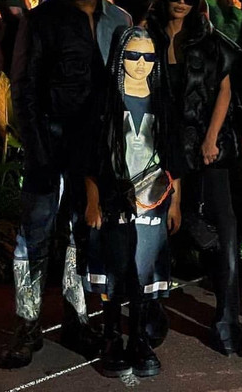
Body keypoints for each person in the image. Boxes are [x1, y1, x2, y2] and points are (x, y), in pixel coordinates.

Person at [3, 0, 131, 368]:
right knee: (33, 235)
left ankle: (78, 320)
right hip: (50, 142)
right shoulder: (40, 21)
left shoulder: (120, 19)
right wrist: (38, 148)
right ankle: (27, 323)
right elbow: (22, 88)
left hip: (94, 148)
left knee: (83, 235)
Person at [148, 0, 242, 355]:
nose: (182, 2)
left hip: (205, 145)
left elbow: (225, 86)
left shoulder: (207, 38)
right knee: (154, 234)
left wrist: (210, 138)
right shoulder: (146, 34)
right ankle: (152, 313)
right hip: (158, 145)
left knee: (224, 233)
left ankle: (225, 319)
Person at [84, 26, 181, 378]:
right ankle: (112, 335)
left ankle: (139, 337)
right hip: (112, 200)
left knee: (145, 270)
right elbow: (90, 157)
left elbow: (173, 157)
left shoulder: (162, 100)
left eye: (148, 57)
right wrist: (92, 201)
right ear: (119, 56)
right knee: (112, 268)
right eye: (133, 56)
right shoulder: (105, 98)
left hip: (154, 200)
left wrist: (176, 202)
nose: (140, 64)